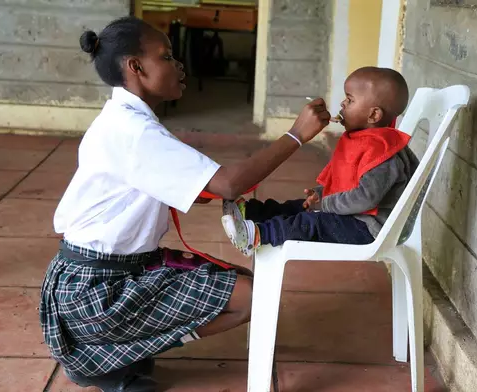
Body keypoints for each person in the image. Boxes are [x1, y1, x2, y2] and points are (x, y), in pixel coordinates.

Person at [39, 16, 331, 392]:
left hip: (96, 276)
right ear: (136, 67)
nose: (179, 65)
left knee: (241, 283)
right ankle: (105, 359)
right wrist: (296, 135)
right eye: (166, 56)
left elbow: (194, 185)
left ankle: (114, 351)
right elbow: (229, 183)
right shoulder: (135, 132)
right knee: (251, 298)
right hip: (97, 292)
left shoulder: (123, 119)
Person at [221, 66, 420, 256]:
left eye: (349, 100)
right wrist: (320, 194)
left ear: (374, 114)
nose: (342, 104)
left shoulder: (384, 155)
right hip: (356, 217)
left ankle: (257, 235)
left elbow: (363, 199)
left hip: (369, 229)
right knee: (302, 206)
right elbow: (349, 183)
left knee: (311, 222)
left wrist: (325, 204)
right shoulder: (365, 140)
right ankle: (252, 212)